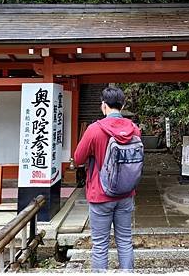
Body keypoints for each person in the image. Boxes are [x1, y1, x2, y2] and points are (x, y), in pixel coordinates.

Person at [74, 86, 141, 271]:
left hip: (100, 194)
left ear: (103, 105)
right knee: (125, 241)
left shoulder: (94, 130)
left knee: (100, 246)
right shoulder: (134, 130)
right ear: (123, 104)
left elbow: (78, 158)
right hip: (126, 193)